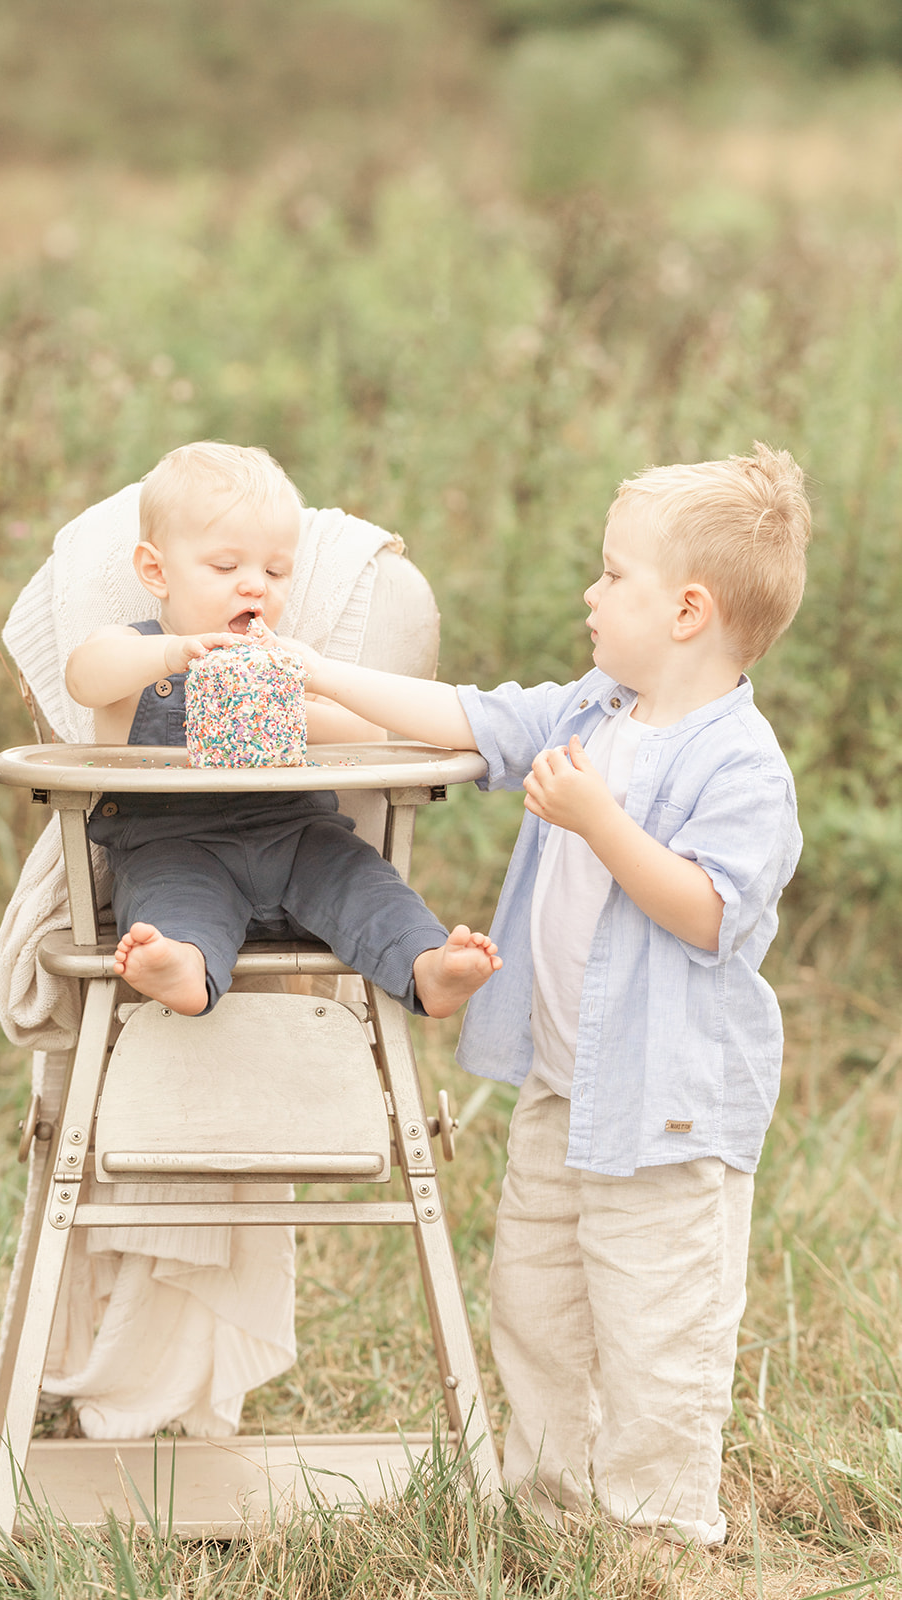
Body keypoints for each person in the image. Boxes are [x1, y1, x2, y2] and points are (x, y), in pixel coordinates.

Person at [277, 443, 809, 1546]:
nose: (590, 591)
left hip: (667, 1111)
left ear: (686, 610)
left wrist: (601, 823)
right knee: (536, 1301)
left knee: (657, 1320)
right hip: (563, 1089)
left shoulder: (738, 763)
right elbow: (463, 717)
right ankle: (551, 1507)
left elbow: (710, 913)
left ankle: (657, 1530)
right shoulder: (588, 712)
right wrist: (314, 680)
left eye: (612, 575)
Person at [65, 441, 502, 1021]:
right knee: (170, 904)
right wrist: (173, 654)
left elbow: (370, 734)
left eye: (274, 571)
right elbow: (83, 679)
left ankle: (427, 966)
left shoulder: (284, 665)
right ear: (156, 571)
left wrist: (294, 705)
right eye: (225, 567)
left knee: (366, 883)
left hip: (297, 838)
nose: (255, 587)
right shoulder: (132, 650)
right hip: (174, 845)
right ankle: (181, 966)